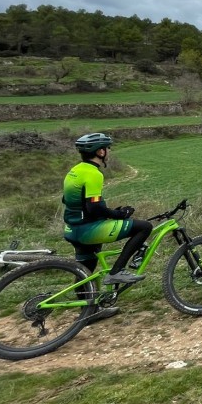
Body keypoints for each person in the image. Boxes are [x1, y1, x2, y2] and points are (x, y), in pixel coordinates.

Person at [63, 133, 153, 312]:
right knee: (144, 227)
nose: (109, 152)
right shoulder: (94, 174)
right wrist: (118, 214)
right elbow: (94, 208)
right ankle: (117, 271)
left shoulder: (74, 171)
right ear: (100, 152)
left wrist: (109, 212)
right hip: (87, 230)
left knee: (86, 269)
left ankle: (88, 312)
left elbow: (68, 201)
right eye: (107, 148)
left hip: (71, 229)